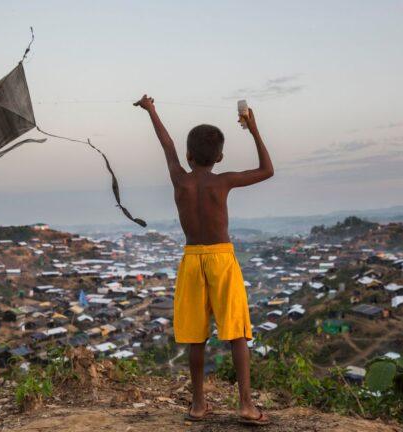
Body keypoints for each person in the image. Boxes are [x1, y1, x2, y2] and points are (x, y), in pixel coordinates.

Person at [134, 95, 273, 426]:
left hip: (192, 258)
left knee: (196, 335)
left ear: (188, 155)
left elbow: (165, 144)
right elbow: (267, 170)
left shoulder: (180, 180)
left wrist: (152, 109)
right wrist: (253, 129)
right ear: (220, 156)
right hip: (221, 258)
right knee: (236, 333)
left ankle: (198, 405)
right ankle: (246, 405)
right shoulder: (222, 181)